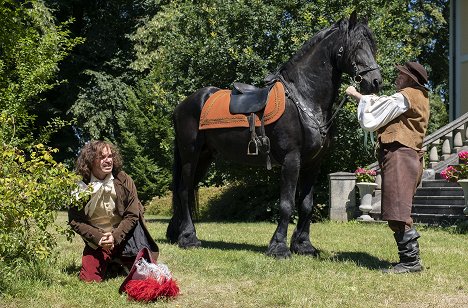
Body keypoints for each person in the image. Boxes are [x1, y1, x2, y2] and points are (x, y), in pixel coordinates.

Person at [346, 61, 430, 274]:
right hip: (403, 155)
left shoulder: (407, 94)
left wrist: (357, 95)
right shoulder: (411, 96)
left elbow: (375, 112)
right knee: (396, 208)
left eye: (400, 74)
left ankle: (410, 262)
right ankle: (410, 260)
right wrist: (358, 96)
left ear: (410, 78)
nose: (397, 78)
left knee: (398, 210)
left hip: (401, 155)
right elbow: (382, 102)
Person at [69, 140, 159, 282]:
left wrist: (115, 236)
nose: (108, 160)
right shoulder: (80, 185)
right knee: (89, 279)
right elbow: (75, 220)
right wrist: (99, 238)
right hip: (98, 240)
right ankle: (111, 261)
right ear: (91, 160)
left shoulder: (123, 179)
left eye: (110, 156)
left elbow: (132, 214)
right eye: (102, 157)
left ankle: (120, 258)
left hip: (124, 236)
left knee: (143, 273)